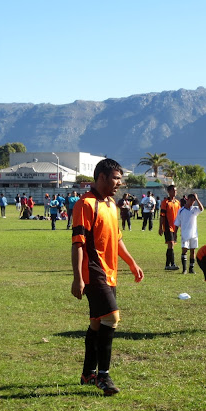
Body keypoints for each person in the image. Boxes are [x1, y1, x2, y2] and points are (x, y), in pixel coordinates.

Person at [72, 158, 144, 396]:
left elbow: (117, 238)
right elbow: (78, 244)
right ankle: (103, 376)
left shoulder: (112, 205)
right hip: (93, 272)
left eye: (120, 179)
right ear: (101, 177)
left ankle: (87, 373)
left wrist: (132, 263)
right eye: (115, 178)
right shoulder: (85, 204)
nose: (119, 183)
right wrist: (77, 278)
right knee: (112, 318)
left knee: (97, 322)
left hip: (110, 273)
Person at [173, 193, 204, 274]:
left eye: (194, 201)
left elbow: (202, 209)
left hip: (194, 234)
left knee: (192, 251)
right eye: (191, 200)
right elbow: (177, 223)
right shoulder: (181, 210)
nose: (192, 202)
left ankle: (191, 268)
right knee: (184, 250)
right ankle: (184, 269)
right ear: (187, 199)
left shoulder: (195, 209)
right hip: (185, 234)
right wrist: (175, 234)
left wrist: (197, 199)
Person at [159, 184, 181, 270]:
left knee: (171, 245)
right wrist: (160, 227)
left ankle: (167, 265)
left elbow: (180, 215)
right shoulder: (165, 202)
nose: (175, 192)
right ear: (169, 191)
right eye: (173, 190)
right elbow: (162, 215)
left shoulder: (177, 202)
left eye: (176, 190)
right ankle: (172, 264)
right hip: (168, 226)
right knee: (171, 244)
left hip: (175, 227)